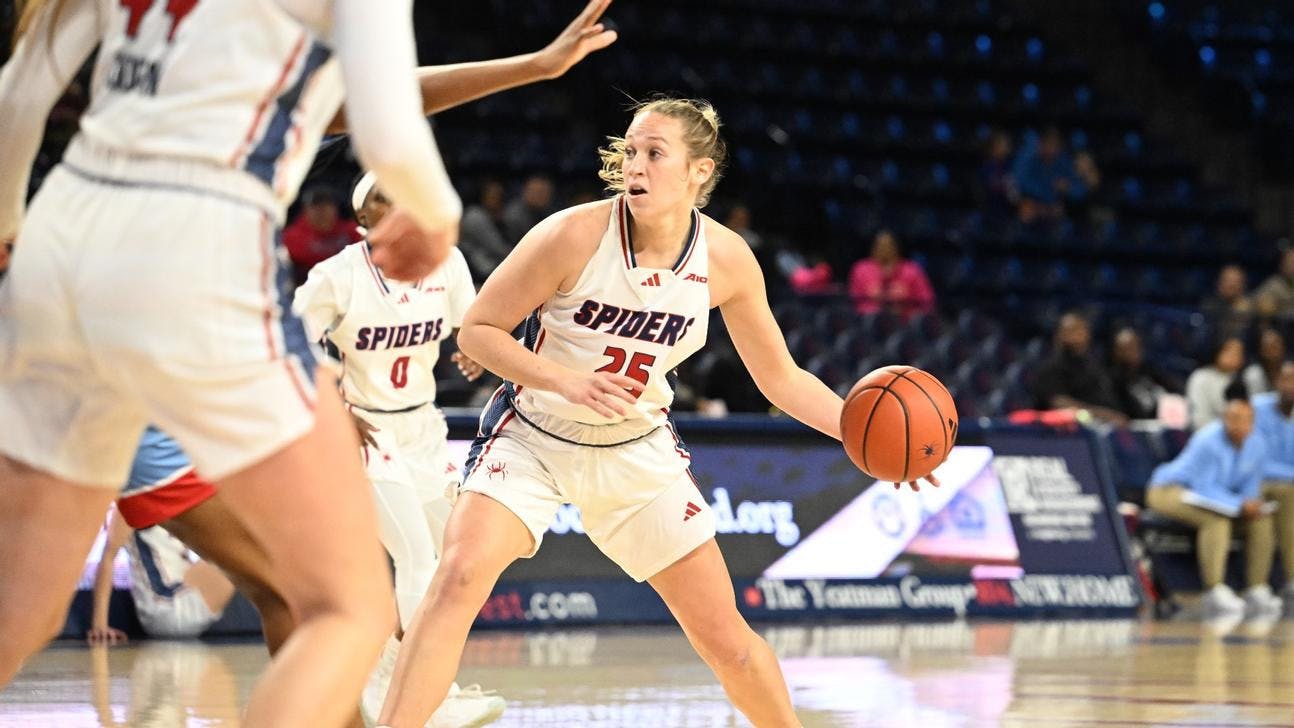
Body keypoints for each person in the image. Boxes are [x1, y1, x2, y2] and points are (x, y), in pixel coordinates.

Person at [373, 97, 936, 728]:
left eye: (654, 153)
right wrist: (565, 379)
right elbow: (477, 332)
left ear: (699, 171)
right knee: (456, 579)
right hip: (532, 437)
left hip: (635, 448)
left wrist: (861, 435)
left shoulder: (726, 260)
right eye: (631, 151)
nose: (634, 165)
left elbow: (779, 379)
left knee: (727, 642)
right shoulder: (573, 233)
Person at [0, 0, 470, 723]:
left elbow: (18, 95)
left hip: (60, 236)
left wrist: (6, 223)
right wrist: (436, 217)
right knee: (347, 608)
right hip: (197, 241)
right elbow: (389, 129)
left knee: (20, 610)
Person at [293, 173, 503, 726]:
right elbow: (287, 339)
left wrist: (474, 351)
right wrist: (326, 398)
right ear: (364, 218)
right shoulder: (337, 276)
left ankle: (387, 673)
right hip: (365, 432)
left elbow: (474, 325)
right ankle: (431, 698)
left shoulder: (448, 263)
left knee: (450, 561)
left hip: (425, 430)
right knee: (416, 556)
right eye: (388, 204)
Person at [1146, 392, 1282, 619]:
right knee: (1215, 521)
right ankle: (1214, 589)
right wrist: (1239, 504)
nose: (1239, 425)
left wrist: (1250, 504)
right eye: (1234, 418)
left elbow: (1250, 485)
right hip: (1170, 489)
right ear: (1224, 419)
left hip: (1216, 498)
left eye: (1245, 419)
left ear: (1253, 422)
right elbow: (1203, 488)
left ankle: (1256, 588)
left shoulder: (1257, 444)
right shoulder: (1207, 440)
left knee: (1260, 519)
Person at [88, 503, 235, 644]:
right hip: (164, 605)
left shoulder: (173, 503)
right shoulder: (130, 503)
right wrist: (99, 624)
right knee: (233, 552)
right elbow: (108, 558)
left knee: (237, 549)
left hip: (184, 596)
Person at [1248, 361, 1294, 611]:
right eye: (1287, 379)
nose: (1291, 386)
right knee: (1287, 497)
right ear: (1277, 382)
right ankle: (1266, 584)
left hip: (1287, 485)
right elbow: (1257, 462)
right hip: (1253, 482)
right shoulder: (1256, 409)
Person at [1032, 312, 1126, 425]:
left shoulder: (1094, 367)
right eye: (1072, 330)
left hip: (1103, 430)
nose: (1078, 335)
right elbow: (1059, 403)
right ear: (1058, 336)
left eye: (1082, 330)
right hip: (1066, 432)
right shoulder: (1050, 367)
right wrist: (1102, 415)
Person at [283, 186, 364, 286]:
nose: (321, 212)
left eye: (326, 206)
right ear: (305, 210)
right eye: (315, 207)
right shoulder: (291, 237)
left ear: (336, 209)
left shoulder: (351, 231)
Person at [846, 229, 935, 319]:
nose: (885, 249)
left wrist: (908, 296)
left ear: (897, 247)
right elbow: (852, 301)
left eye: (889, 245)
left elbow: (927, 301)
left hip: (905, 322)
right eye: (880, 245)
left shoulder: (912, 270)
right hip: (869, 323)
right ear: (873, 247)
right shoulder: (861, 269)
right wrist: (873, 296)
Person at [1011, 126, 1085, 223]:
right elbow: (1018, 181)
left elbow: (1081, 190)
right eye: (1048, 144)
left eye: (1055, 145)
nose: (1051, 149)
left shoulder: (1063, 162)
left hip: (1053, 209)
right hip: (1031, 204)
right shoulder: (1028, 158)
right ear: (1040, 144)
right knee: (1026, 210)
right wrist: (1041, 200)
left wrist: (1068, 188)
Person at [1108, 327, 1179, 420]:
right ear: (1117, 352)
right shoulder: (1114, 379)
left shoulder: (1150, 369)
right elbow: (1124, 413)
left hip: (1167, 420)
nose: (1135, 351)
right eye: (1128, 348)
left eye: (1136, 346)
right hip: (1138, 426)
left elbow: (1174, 391)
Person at [1187, 337, 1246, 430]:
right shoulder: (1200, 377)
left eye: (1239, 352)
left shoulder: (1241, 380)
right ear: (1218, 351)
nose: (1234, 356)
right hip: (1208, 435)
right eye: (1229, 351)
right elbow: (1198, 417)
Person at [458, 180, 512, 279]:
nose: (497, 199)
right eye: (492, 196)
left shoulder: (496, 215)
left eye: (499, 196)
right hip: (476, 266)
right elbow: (497, 248)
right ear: (483, 196)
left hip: (490, 262)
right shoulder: (475, 215)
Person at [1201, 264, 1254, 339]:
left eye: (1235, 281)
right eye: (1226, 280)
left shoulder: (1250, 308)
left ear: (1243, 284)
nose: (1231, 285)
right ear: (1219, 283)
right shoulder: (1209, 306)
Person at [501, 174, 556, 244]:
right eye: (540, 192)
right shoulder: (514, 216)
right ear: (527, 191)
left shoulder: (547, 213)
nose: (544, 197)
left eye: (547, 193)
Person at [1244, 327, 1286, 396]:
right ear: (1261, 350)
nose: (1273, 351)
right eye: (1268, 347)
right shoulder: (1253, 373)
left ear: (1283, 347)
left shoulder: (1289, 370)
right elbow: (1255, 401)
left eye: (1275, 346)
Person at [1255, 248, 1294, 320]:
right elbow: (1263, 306)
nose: (1292, 266)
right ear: (1282, 265)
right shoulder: (1274, 284)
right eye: (1290, 262)